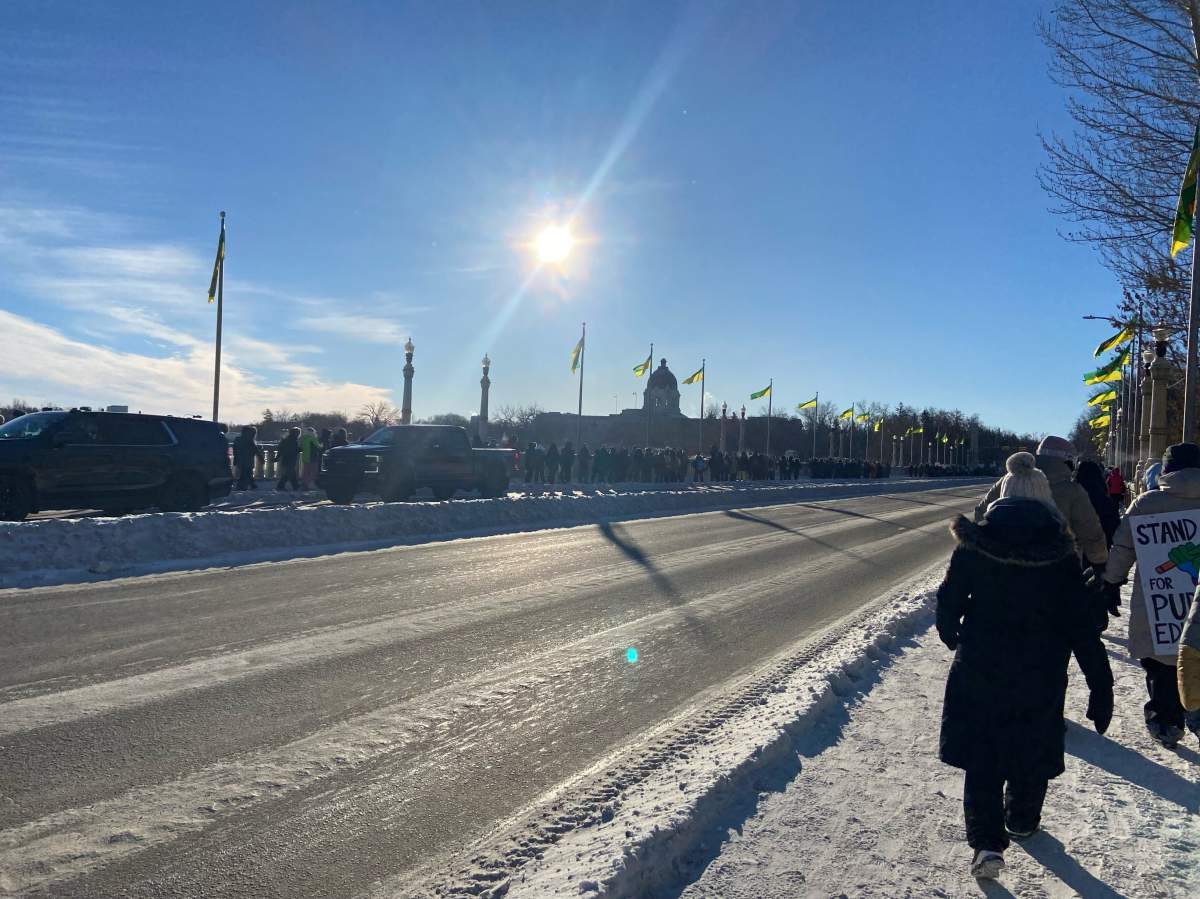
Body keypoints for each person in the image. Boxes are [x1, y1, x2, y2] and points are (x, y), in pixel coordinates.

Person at [937, 456, 1113, 880]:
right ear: (1046, 501)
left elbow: (949, 603)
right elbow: (1080, 627)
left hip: (980, 665)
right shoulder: (1061, 556)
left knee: (983, 755)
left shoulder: (974, 546)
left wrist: (953, 636)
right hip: (1041, 671)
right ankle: (1022, 819)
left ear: (1001, 496)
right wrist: (1100, 685)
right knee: (1031, 747)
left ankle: (985, 844)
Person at [1099, 443, 1200, 748]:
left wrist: (1111, 581)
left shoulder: (1146, 503)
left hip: (1158, 604)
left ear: (1167, 470)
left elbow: (1123, 548)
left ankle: (1166, 721)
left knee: (1160, 662)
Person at [973, 436, 1108, 569]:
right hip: (1057, 570)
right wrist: (1100, 563)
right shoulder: (1072, 491)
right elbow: (1090, 533)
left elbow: (981, 513)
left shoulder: (1009, 479)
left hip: (1007, 566)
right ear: (1068, 460)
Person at [1074, 459, 1119, 548]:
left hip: (1077, 551)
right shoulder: (1105, 501)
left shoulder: (1072, 497)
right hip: (1101, 551)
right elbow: (1115, 527)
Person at [232, 425, 264, 490]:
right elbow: (255, 450)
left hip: (240, 460)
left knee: (245, 473)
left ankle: (250, 485)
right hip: (248, 460)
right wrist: (261, 458)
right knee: (246, 474)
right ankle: (243, 486)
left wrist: (235, 459)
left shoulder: (237, 439)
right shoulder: (249, 440)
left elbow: (235, 450)